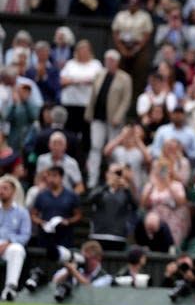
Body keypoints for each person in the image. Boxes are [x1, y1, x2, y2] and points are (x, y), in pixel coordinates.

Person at [83, 49, 132, 188]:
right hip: (98, 117)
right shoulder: (99, 75)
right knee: (95, 147)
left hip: (114, 120)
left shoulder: (125, 78)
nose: (109, 63)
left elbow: (126, 100)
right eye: (107, 60)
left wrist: (118, 116)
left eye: (111, 61)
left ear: (117, 62)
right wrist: (89, 113)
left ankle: (113, 181)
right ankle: (92, 180)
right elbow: (93, 95)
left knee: (112, 150)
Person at [86, 162, 138, 251]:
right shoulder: (100, 188)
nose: (115, 176)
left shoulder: (125, 192)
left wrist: (127, 190)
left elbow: (135, 207)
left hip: (118, 236)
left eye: (118, 173)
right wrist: (107, 185)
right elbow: (90, 200)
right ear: (107, 174)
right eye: (113, 173)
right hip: (99, 234)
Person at [31, 166, 82, 248]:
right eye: (49, 176)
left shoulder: (71, 195)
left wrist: (68, 221)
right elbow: (33, 215)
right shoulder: (41, 195)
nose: (51, 179)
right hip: (46, 235)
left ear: (61, 177)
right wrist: (41, 222)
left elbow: (78, 215)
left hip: (64, 235)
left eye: (54, 176)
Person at [0, 177, 31, 301]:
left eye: (5, 188)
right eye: (0, 188)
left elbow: (25, 235)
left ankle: (10, 288)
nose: (1, 191)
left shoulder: (22, 212)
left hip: (9, 246)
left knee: (17, 249)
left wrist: (9, 242)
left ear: (13, 192)